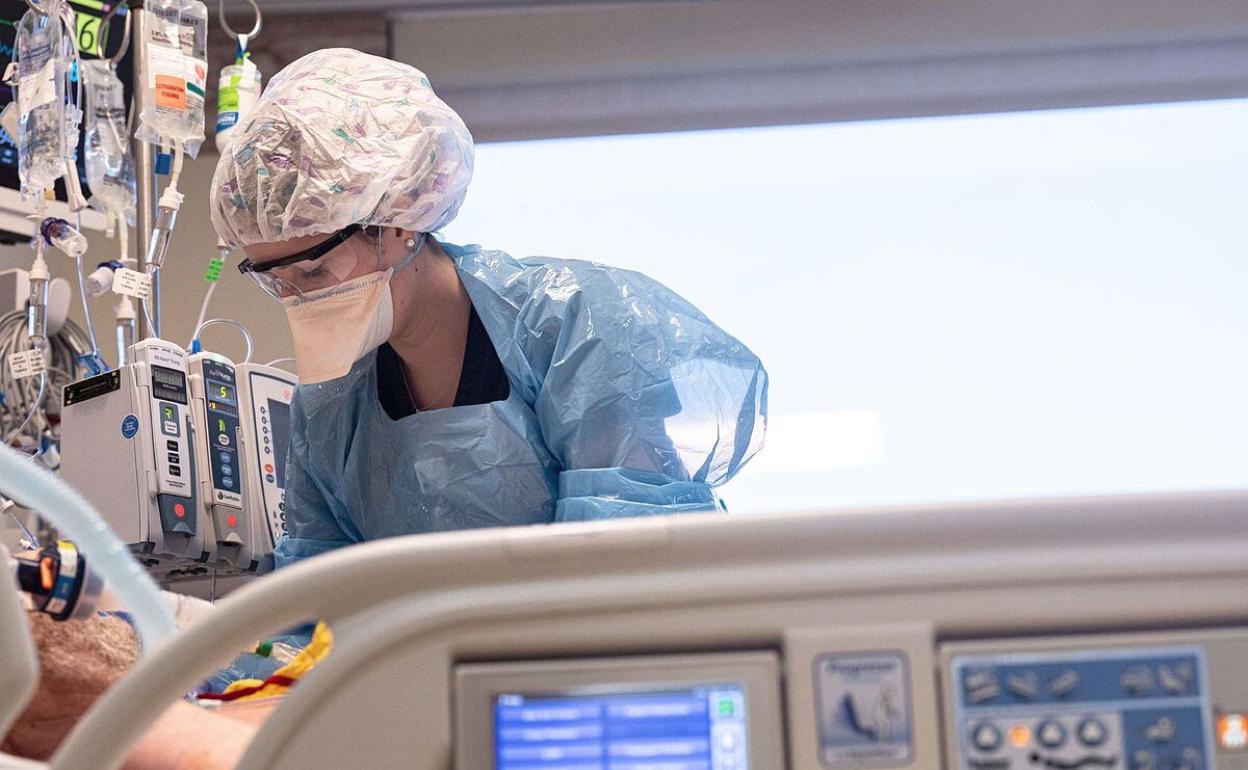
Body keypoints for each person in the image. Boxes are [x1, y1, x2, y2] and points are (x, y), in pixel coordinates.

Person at [211, 48, 769, 567]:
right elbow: (315, 603)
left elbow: (625, 570)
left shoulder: (579, 329)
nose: (298, 300)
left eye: (312, 270)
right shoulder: (331, 405)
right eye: (274, 280)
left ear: (398, 220)